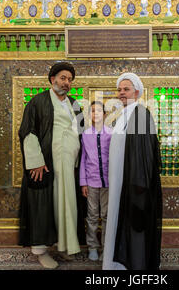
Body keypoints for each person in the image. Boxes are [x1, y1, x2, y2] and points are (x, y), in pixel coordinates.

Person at [18, 62, 86, 269]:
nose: (67, 83)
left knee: (66, 206)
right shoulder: (37, 102)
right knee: (43, 206)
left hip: (70, 166)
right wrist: (36, 162)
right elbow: (28, 132)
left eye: (70, 80)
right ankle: (40, 250)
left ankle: (64, 246)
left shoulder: (75, 104)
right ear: (52, 79)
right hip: (46, 165)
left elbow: (83, 132)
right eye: (63, 78)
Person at [102, 72, 163, 270]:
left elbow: (145, 154)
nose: (121, 93)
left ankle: (134, 266)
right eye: (119, 89)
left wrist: (138, 184)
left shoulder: (141, 114)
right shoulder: (124, 114)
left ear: (137, 92)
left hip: (134, 182)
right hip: (120, 180)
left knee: (133, 222)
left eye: (126, 89)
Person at [79, 101, 112, 261]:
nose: (96, 114)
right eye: (92, 111)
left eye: (99, 111)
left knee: (106, 216)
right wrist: (83, 182)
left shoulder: (112, 134)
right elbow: (83, 159)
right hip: (91, 182)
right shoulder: (85, 135)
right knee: (92, 215)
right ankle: (92, 246)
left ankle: (106, 248)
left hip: (108, 183)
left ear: (105, 114)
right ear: (89, 115)